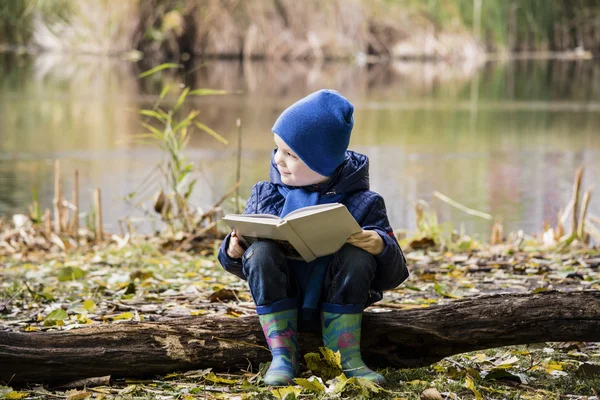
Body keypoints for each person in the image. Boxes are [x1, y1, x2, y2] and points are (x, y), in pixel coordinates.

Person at [218, 89, 409, 386]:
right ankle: (283, 354)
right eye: (277, 149)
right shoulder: (265, 194)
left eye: (291, 155)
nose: (279, 160)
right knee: (260, 252)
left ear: (324, 163)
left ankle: (346, 355)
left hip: (338, 297)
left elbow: (394, 275)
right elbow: (246, 268)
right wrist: (234, 249)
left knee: (357, 254)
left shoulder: (365, 202)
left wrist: (380, 245)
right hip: (284, 296)